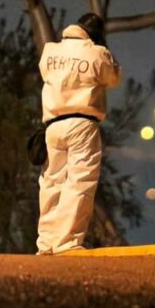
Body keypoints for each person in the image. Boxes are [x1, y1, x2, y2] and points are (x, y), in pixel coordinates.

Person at [36, 13, 121, 254]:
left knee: (51, 182)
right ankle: (67, 243)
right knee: (80, 181)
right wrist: (102, 49)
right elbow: (113, 78)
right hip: (82, 123)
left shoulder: (50, 51)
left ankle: (46, 244)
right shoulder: (97, 53)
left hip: (53, 124)